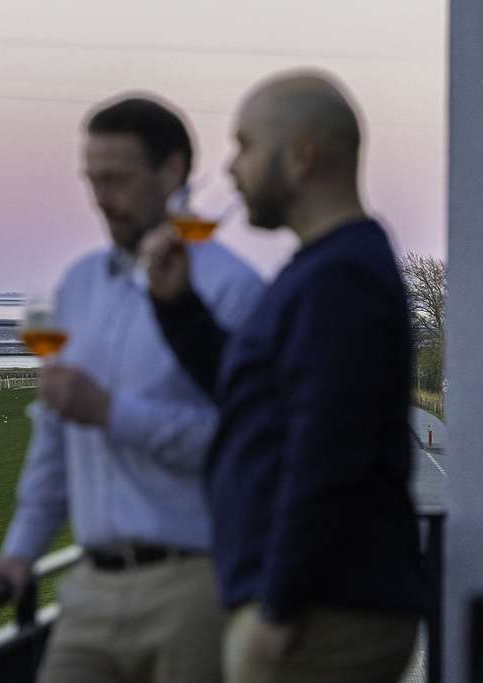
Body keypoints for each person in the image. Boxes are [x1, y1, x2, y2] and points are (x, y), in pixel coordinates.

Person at [142, 71, 426, 682]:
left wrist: (279, 606)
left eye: (245, 145)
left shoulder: (340, 279)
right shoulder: (328, 268)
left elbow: (328, 455)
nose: (231, 168)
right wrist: (179, 307)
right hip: (317, 605)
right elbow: (255, 399)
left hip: (319, 615)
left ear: (300, 157)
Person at [0, 96, 263, 682]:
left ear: (173, 171)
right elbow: (55, 435)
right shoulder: (80, 284)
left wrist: (110, 412)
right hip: (88, 590)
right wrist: (20, 553)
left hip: (197, 588)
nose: (101, 198)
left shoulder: (233, 290)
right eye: (92, 179)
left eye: (118, 179)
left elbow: (244, 444)